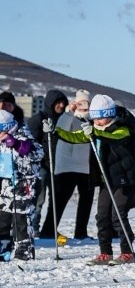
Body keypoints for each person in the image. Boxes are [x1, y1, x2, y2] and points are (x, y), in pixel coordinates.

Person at [53, 94, 135, 265]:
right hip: (106, 180)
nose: (97, 121)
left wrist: (95, 132)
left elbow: (116, 138)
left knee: (118, 215)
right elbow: (75, 137)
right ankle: (105, 252)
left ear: (109, 115)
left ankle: (127, 251)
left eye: (100, 118)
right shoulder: (95, 128)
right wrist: (55, 131)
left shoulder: (122, 128)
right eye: (94, 117)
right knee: (102, 216)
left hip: (125, 179)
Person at [44, 90, 96, 240]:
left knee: (86, 201)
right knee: (59, 200)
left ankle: (81, 232)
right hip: (66, 166)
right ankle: (48, 231)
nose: (83, 107)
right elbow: (60, 130)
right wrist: (70, 112)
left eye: (86, 103)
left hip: (86, 166)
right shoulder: (66, 116)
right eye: (80, 103)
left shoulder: (91, 119)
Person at [0, 109, 43, 261]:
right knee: (3, 217)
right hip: (4, 184)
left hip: (24, 183)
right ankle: (3, 249)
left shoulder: (23, 135)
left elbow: (37, 153)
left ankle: (24, 251)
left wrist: (17, 144)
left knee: (21, 218)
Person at [27, 89, 69, 235]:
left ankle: (49, 229)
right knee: (39, 199)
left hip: (59, 165)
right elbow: (31, 142)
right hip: (42, 165)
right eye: (58, 103)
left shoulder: (62, 120)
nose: (61, 106)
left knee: (55, 199)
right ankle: (33, 227)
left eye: (63, 103)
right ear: (50, 103)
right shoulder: (38, 119)